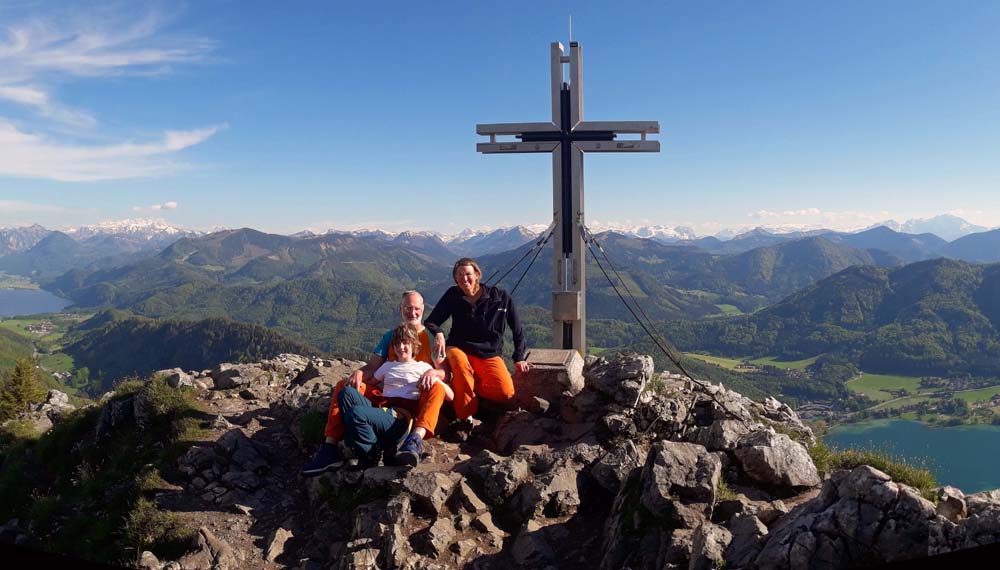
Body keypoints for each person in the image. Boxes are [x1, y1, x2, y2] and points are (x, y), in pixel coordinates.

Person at [301, 291, 447, 475]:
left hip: (415, 398)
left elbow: (444, 372)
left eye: (417, 308)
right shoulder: (391, 337)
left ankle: (412, 438)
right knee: (344, 386)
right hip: (388, 397)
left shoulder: (432, 338)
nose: (413, 312)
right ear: (401, 309)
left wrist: (434, 372)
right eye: (408, 308)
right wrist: (359, 373)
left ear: (423, 310)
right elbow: (373, 366)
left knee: (436, 386)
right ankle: (330, 448)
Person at [424, 257, 530, 423]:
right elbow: (431, 321)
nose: (464, 278)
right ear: (455, 278)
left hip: (488, 353)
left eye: (468, 274)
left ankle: (468, 388)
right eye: (459, 275)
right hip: (458, 347)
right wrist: (438, 333)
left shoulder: (500, 297)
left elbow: (517, 329)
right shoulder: (453, 295)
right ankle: (465, 417)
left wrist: (519, 357)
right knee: (459, 363)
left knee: (506, 392)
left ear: (477, 275)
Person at [337, 324, 454, 468]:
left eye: (405, 343)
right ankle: (368, 439)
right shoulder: (387, 366)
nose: (401, 347)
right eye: (397, 343)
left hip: (400, 418)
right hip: (384, 409)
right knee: (346, 393)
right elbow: (371, 382)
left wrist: (435, 378)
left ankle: (370, 453)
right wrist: (359, 373)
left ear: (414, 345)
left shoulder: (423, 367)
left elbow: (450, 396)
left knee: (355, 413)